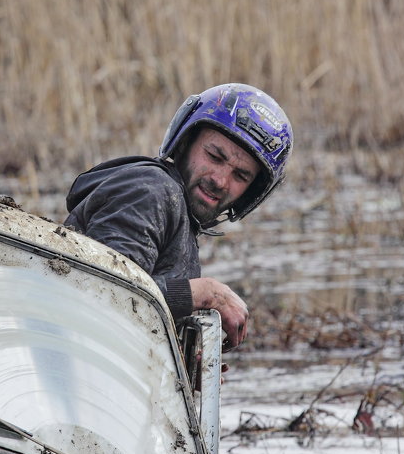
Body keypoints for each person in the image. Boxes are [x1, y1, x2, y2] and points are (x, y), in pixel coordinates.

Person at [64, 83, 293, 351]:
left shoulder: (180, 213)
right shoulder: (151, 190)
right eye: (214, 156)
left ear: (250, 193)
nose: (220, 180)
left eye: (240, 176)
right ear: (185, 142)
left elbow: (135, 320)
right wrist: (207, 294)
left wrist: (179, 363)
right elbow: (104, 293)